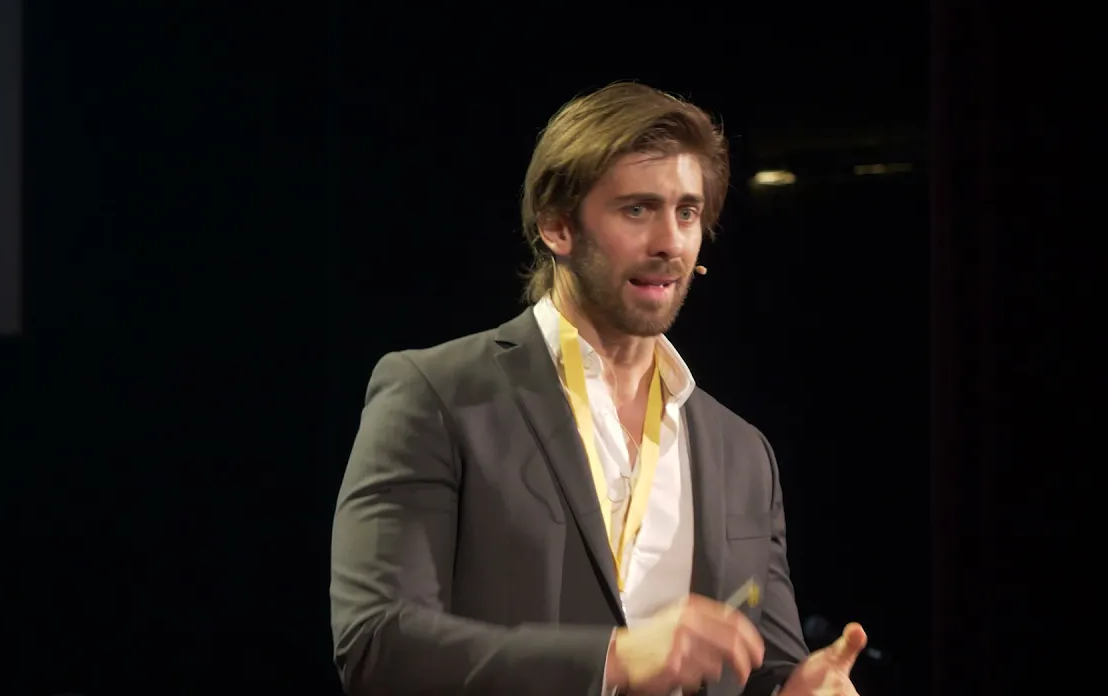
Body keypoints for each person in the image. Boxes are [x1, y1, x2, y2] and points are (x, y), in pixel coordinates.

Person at [329, 82, 868, 696]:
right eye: (637, 209)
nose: (670, 242)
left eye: (687, 212)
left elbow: (764, 669)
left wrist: (797, 689)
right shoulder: (438, 396)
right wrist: (612, 659)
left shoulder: (744, 453)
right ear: (557, 225)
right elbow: (378, 643)